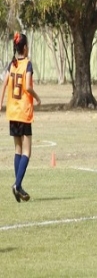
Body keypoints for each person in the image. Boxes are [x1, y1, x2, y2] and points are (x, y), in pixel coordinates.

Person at [0, 32, 41, 203]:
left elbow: (4, 84)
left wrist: (0, 102)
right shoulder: (27, 65)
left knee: (17, 149)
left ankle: (19, 186)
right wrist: (38, 98)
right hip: (23, 112)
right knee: (27, 151)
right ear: (25, 47)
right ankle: (17, 184)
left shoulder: (12, 64)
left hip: (12, 112)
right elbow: (28, 86)